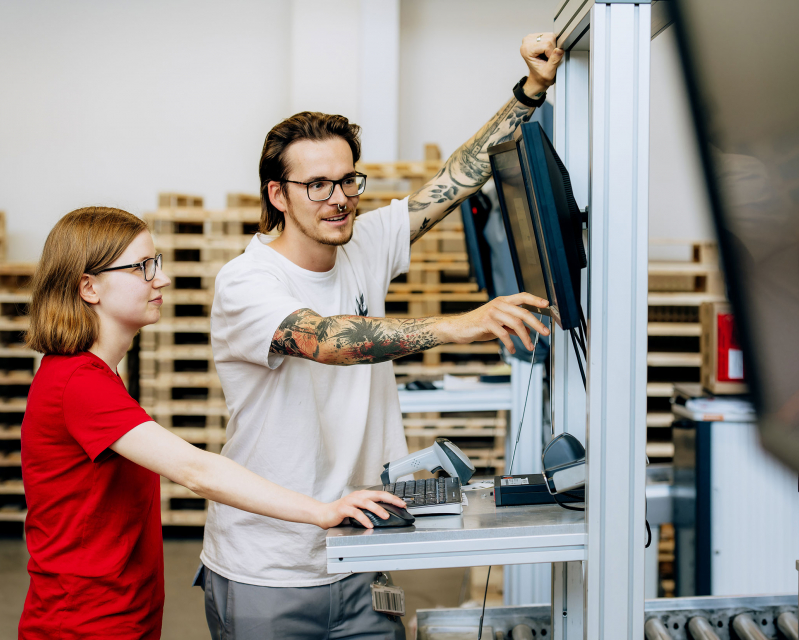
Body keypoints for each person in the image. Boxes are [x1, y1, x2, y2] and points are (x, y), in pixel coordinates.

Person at [199, 32, 563, 638]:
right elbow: (327, 340)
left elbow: (459, 176)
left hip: (366, 552)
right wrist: (458, 324)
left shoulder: (364, 241)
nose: (338, 200)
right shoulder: (247, 282)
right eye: (316, 185)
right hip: (270, 567)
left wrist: (529, 91)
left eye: (347, 181)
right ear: (277, 194)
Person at [18, 207, 405, 639]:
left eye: (157, 264)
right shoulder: (78, 384)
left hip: (117, 611)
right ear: (89, 287)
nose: (160, 279)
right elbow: (195, 471)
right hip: (83, 622)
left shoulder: (91, 376)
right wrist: (321, 512)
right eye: (142, 268)